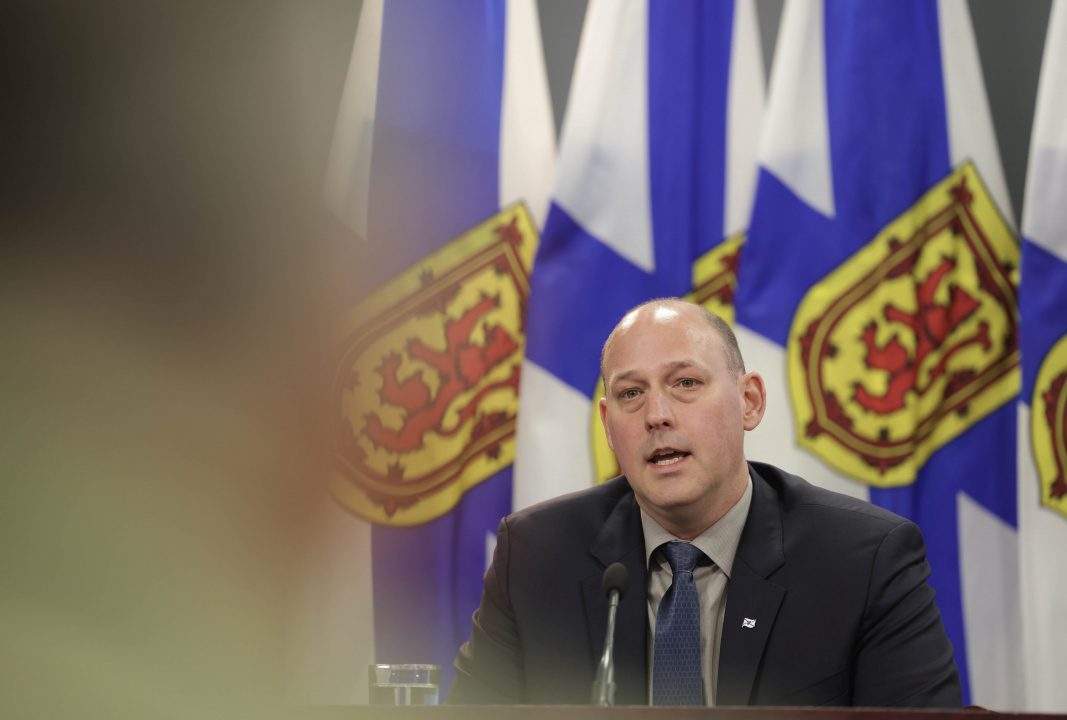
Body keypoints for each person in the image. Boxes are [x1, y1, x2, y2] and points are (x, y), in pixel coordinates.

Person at [447, 298, 962, 707]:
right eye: (631, 394)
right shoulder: (536, 556)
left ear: (751, 402)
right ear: (607, 425)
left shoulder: (865, 560)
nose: (657, 415)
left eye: (686, 383)